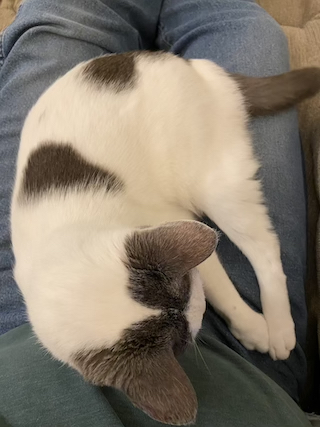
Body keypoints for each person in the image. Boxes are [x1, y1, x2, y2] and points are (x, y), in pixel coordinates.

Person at [0, 0, 311, 426]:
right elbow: (186, 238)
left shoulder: (123, 259)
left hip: (14, 339)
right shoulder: (134, 266)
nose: (195, 311)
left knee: (64, 20)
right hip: (251, 378)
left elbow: (185, 239)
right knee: (254, 31)